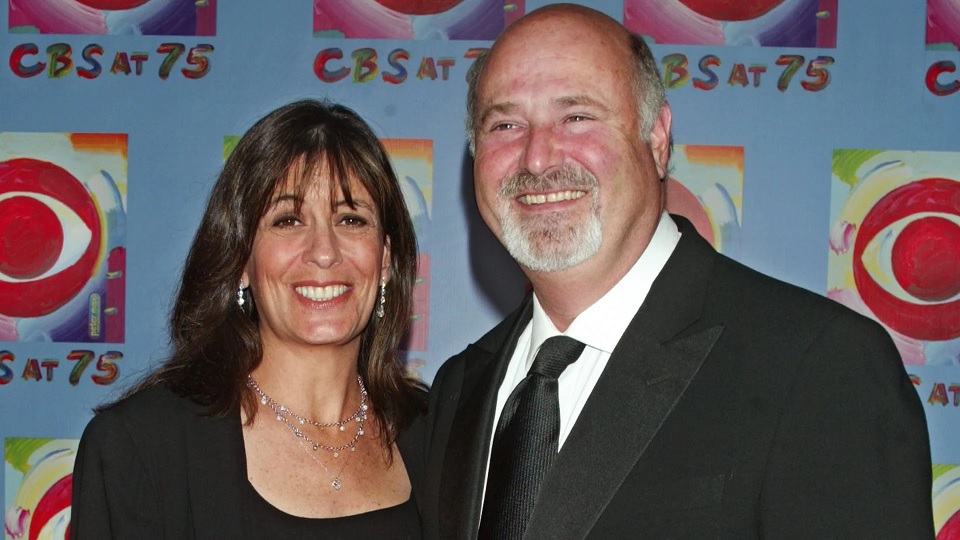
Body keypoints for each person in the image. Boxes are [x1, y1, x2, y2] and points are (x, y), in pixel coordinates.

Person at [422, 4, 934, 539]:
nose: (536, 158)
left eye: (577, 117)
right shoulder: (460, 388)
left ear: (658, 139)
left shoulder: (819, 366)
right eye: (505, 125)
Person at [70, 99, 427, 539]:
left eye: (351, 219)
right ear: (241, 258)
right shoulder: (140, 448)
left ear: (386, 258)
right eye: (288, 220)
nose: (324, 252)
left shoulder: (440, 439)